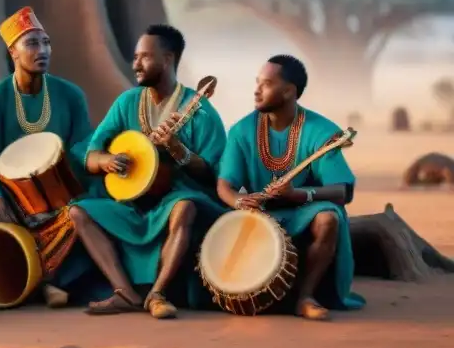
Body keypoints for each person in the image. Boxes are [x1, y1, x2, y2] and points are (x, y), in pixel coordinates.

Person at [0, 6, 129, 309]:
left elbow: (80, 145)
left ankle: (47, 280)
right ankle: (5, 281)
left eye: (46, 42)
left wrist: (101, 160)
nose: (43, 50)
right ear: (13, 52)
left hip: (58, 198)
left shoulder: (70, 95)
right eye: (32, 43)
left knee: (81, 215)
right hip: (4, 197)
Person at [79, 24, 228, 319]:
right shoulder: (127, 102)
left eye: (145, 57)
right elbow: (91, 155)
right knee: (79, 212)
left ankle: (157, 294)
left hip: (178, 198)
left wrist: (178, 151)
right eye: (135, 57)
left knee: (184, 208)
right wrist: (106, 161)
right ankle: (125, 292)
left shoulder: (200, 111)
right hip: (133, 202)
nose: (135, 64)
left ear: (168, 59)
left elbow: (214, 174)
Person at [216, 55, 365, 320]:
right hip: (259, 212)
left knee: (328, 219)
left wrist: (298, 194)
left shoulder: (320, 131)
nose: (257, 90)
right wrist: (239, 202)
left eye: (267, 83)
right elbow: (224, 185)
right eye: (257, 82)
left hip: (305, 210)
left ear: (289, 91)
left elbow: (342, 191)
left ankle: (305, 297)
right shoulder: (242, 130)